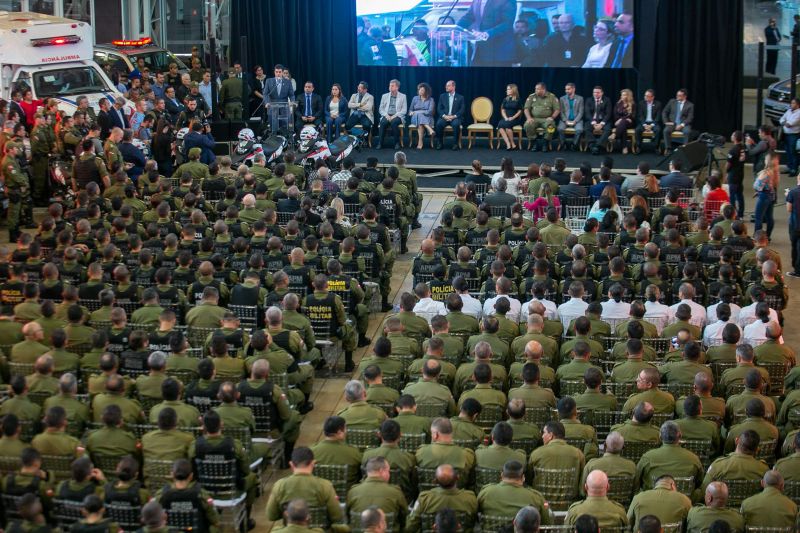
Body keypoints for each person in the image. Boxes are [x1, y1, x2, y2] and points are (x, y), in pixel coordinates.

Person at [456, 0, 517, 67]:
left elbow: (507, 23)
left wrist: (487, 33)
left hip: (499, 53)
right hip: (480, 51)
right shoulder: (477, 1)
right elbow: (468, 17)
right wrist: (455, 29)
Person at [523, 82, 560, 152]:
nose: (535, 90)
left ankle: (545, 143)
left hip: (547, 119)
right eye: (535, 89)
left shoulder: (551, 97)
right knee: (527, 125)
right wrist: (529, 118)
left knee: (551, 125)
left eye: (537, 89)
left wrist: (552, 117)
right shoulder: (532, 96)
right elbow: (526, 109)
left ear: (543, 89)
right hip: (534, 118)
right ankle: (534, 142)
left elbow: (557, 109)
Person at [263, 64, 296, 133]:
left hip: (284, 107)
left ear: (283, 72)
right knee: (273, 126)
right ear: (274, 72)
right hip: (272, 106)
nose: (278, 74)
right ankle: (273, 138)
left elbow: (292, 95)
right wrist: (267, 102)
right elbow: (265, 94)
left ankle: (285, 138)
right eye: (276, 72)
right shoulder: (269, 81)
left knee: (284, 126)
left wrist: (292, 102)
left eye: (280, 72)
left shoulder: (288, 82)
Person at [376, 80, 407, 150]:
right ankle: (380, 143)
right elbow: (381, 109)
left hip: (397, 115)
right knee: (383, 123)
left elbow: (404, 110)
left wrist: (394, 116)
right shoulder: (384, 96)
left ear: (397, 87)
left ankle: (396, 143)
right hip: (387, 114)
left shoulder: (403, 96)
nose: (390, 87)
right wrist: (386, 115)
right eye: (390, 85)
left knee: (394, 122)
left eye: (392, 86)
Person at [434, 80, 465, 150]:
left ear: (453, 86)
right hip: (445, 116)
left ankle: (455, 144)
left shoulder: (460, 97)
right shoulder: (442, 96)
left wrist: (454, 116)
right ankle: (440, 143)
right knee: (439, 124)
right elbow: (439, 108)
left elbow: (462, 110)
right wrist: (444, 116)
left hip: (455, 117)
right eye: (446, 86)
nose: (446, 87)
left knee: (456, 124)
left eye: (448, 86)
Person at [754, 158, 779, 239]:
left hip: (763, 197)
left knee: (758, 218)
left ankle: (757, 238)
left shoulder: (765, 173)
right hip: (771, 195)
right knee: (769, 217)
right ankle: (768, 236)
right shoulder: (774, 172)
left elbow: (757, 185)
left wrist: (758, 190)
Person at [585, 86, 612, 155]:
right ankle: (592, 144)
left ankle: (598, 146)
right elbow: (587, 113)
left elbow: (608, 114)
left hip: (603, 120)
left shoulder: (607, 100)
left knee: (608, 129)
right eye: (594, 92)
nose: (596, 94)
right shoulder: (589, 100)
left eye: (598, 92)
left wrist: (601, 124)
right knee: (586, 128)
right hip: (592, 120)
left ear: (602, 93)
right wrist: (593, 123)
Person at [726, 130, 746, 219]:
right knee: (740, 195)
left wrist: (726, 172)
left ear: (734, 138)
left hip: (733, 176)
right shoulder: (743, 148)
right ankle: (741, 214)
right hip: (740, 175)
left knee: (732, 197)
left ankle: (732, 215)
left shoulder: (733, 150)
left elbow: (728, 164)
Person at [408, 83, 435, 150]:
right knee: (419, 116)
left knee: (420, 122)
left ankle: (420, 142)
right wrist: (412, 112)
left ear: (426, 91)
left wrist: (418, 112)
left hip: (428, 117)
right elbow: (410, 110)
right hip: (415, 118)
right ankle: (430, 129)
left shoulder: (431, 99)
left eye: (422, 90)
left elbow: (430, 111)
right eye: (419, 89)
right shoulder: (415, 98)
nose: (420, 91)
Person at [557, 83, 584, 150]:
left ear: (573, 89)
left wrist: (575, 121)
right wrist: (565, 120)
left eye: (568, 89)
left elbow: (581, 112)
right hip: (565, 119)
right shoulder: (562, 98)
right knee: (560, 129)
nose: (566, 91)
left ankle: (574, 144)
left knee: (579, 130)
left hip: (576, 120)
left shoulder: (580, 98)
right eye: (566, 89)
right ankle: (563, 144)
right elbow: (561, 111)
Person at [634, 89, 662, 154]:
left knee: (658, 130)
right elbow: (640, 116)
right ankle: (638, 147)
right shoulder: (641, 103)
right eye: (645, 95)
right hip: (644, 123)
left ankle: (656, 147)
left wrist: (651, 125)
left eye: (647, 96)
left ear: (652, 97)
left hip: (654, 123)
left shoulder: (658, 104)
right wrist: (645, 125)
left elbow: (658, 117)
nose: (645, 97)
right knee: (637, 130)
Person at [612, 89, 635, 154]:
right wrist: (620, 119)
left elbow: (632, 116)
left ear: (628, 96)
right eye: (622, 95)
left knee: (623, 123)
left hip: (629, 122)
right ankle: (624, 147)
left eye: (624, 95)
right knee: (623, 127)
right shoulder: (618, 104)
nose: (622, 96)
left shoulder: (633, 104)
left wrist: (621, 119)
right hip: (618, 122)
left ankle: (615, 134)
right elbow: (615, 115)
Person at [786, 172, 800, 277]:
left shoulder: (793, 193)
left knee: (795, 247)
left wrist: (787, 196)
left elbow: (789, 209)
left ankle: (797, 270)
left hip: (795, 224)